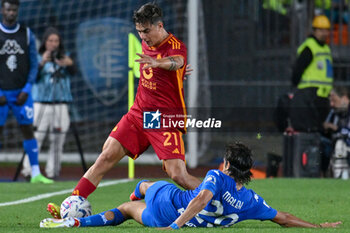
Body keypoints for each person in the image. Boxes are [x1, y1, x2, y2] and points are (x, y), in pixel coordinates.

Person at [46, 2, 201, 218]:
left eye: (146, 31)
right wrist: (169, 70)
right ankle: (71, 204)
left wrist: (162, 64)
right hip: (138, 114)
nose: (143, 37)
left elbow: (177, 60)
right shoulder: (146, 42)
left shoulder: (174, 45)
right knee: (106, 155)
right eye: (139, 32)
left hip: (162, 118)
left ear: (159, 25)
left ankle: (220, 198)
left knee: (178, 175)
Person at [40, 142, 342, 229]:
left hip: (171, 203)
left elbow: (202, 198)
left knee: (143, 189)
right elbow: (283, 219)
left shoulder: (216, 177)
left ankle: (78, 219)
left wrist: (177, 225)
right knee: (130, 211)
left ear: (225, 165)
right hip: (163, 218)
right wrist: (318, 227)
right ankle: (77, 223)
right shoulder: (252, 201)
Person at [0, 0, 53, 184]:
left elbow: (33, 65)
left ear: (18, 11)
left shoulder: (27, 34)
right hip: (1, 95)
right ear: (2, 10)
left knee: (28, 131)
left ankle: (36, 173)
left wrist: (27, 89)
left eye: (14, 9)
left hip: (22, 93)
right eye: (8, 9)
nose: (11, 13)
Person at [21, 27, 75, 179]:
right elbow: (31, 77)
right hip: (40, 103)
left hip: (61, 103)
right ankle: (29, 171)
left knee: (58, 139)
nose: (53, 44)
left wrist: (68, 63)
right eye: (50, 40)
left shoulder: (65, 56)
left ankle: (52, 172)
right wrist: (42, 62)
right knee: (36, 137)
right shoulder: (37, 57)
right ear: (45, 42)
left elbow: (74, 71)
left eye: (56, 41)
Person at [289, 15, 333, 132]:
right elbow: (298, 69)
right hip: (310, 94)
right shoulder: (310, 47)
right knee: (313, 129)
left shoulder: (326, 49)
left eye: (326, 30)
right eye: (321, 30)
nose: (324, 33)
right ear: (314, 31)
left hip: (323, 95)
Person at [323, 86, 350, 179]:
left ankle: (341, 177)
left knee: (340, 144)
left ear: (344, 98)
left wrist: (337, 128)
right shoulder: (333, 113)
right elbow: (326, 127)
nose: (331, 104)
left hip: (345, 146)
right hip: (332, 146)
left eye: (334, 100)